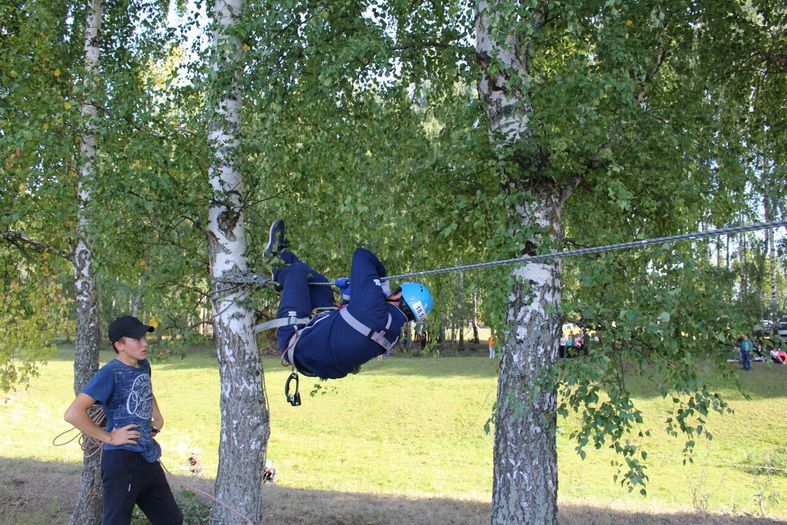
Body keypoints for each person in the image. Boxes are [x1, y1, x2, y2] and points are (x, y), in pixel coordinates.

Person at [265, 219, 433, 379]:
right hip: (316, 357)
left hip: (294, 343)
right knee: (319, 282)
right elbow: (352, 332)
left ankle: (277, 267)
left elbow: (361, 255)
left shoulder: (375, 310)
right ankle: (282, 255)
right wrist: (347, 300)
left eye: (395, 291)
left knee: (296, 274)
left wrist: (382, 282)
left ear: (399, 296)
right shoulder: (393, 334)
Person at [64, 315, 183, 525]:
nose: (144, 343)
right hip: (121, 462)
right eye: (137, 339)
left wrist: (157, 416)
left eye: (144, 337)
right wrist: (110, 437)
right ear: (119, 345)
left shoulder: (143, 365)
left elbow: (145, 389)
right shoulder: (110, 373)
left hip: (147, 457)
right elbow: (73, 413)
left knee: (171, 519)